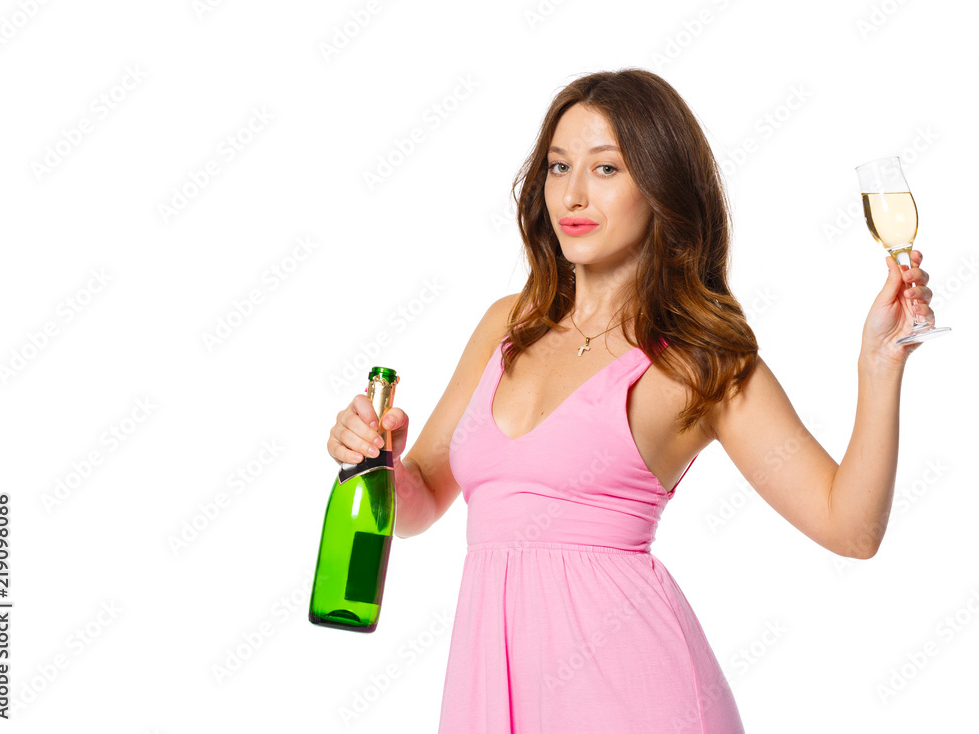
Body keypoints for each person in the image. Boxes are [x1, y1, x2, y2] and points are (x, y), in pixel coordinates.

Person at [326, 68, 937, 732]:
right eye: (558, 166)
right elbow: (419, 501)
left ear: (661, 186)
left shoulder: (698, 361)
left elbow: (850, 529)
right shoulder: (507, 325)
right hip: (492, 691)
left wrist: (880, 364)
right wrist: (377, 462)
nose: (572, 194)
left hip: (636, 697)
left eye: (606, 168)